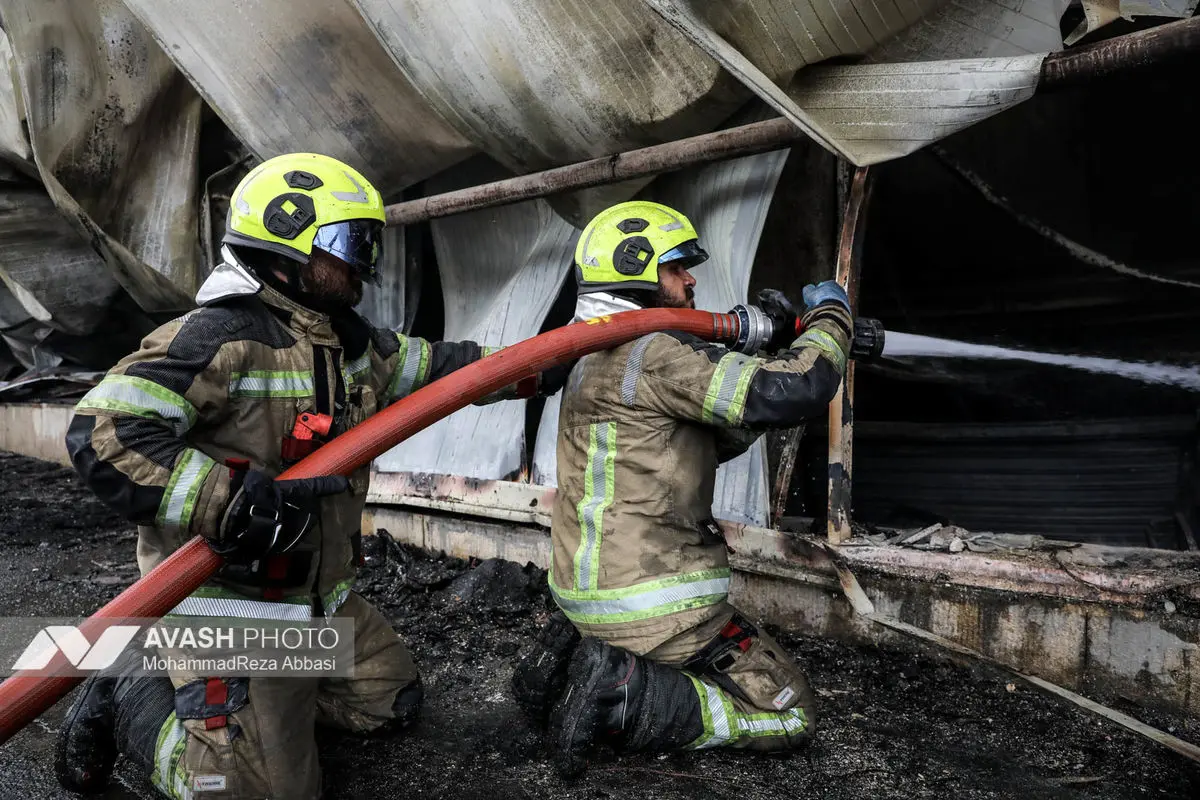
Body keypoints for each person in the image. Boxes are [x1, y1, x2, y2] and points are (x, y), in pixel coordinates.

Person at [58, 152, 560, 798]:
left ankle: (236, 712)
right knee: (253, 792)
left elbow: (449, 369)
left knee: (389, 701)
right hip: (232, 611)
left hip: (317, 603)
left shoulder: (347, 343)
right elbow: (104, 429)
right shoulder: (219, 337)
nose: (364, 261)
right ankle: (136, 698)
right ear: (287, 242)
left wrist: (549, 359)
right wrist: (226, 499)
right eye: (351, 242)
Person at [510, 200, 854, 776]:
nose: (691, 279)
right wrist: (831, 322)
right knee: (788, 709)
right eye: (676, 268)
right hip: (657, 607)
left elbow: (700, 438)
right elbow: (797, 389)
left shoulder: (594, 357)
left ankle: (575, 655)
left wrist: (764, 353)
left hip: (587, 594)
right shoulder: (654, 354)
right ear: (636, 271)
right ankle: (621, 693)